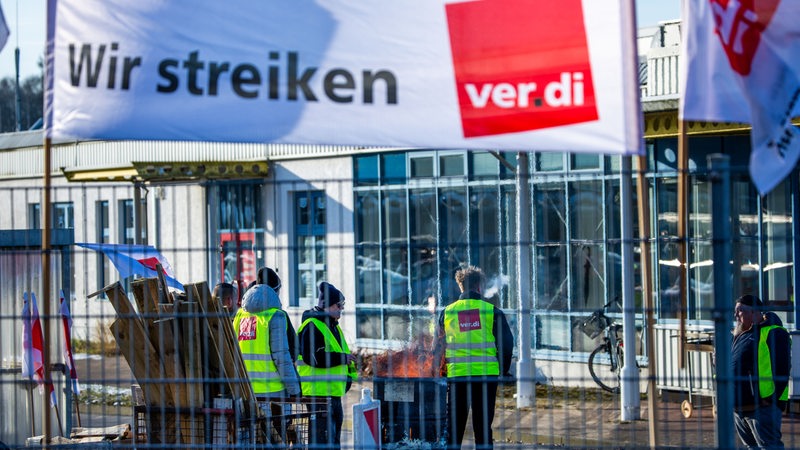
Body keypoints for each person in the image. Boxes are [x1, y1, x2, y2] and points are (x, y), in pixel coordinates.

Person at [433, 265, 513, 450]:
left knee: (455, 429)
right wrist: (503, 369)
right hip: (486, 378)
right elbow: (507, 344)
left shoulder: (447, 312)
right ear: (479, 286)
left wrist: (439, 371)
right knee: (483, 427)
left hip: (458, 378)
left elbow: (437, 346)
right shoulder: (491, 311)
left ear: (460, 286)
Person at [232, 283, 301, 443]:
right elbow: (282, 357)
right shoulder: (274, 316)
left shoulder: (240, 316)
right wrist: (294, 388)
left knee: (251, 438)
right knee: (275, 437)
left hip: (245, 390)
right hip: (273, 392)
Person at [297, 281, 357, 450]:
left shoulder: (332, 327)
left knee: (332, 442)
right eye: (339, 305)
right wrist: (342, 358)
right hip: (318, 396)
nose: (342, 309)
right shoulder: (313, 326)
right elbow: (314, 357)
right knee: (322, 442)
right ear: (328, 305)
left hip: (332, 395)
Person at [732, 294, 791, 449]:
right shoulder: (739, 336)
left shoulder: (774, 332)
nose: (735, 315)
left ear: (754, 312)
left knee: (770, 447)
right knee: (752, 447)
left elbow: (783, 368)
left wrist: (771, 399)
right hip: (739, 407)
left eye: (740, 311)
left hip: (762, 407)